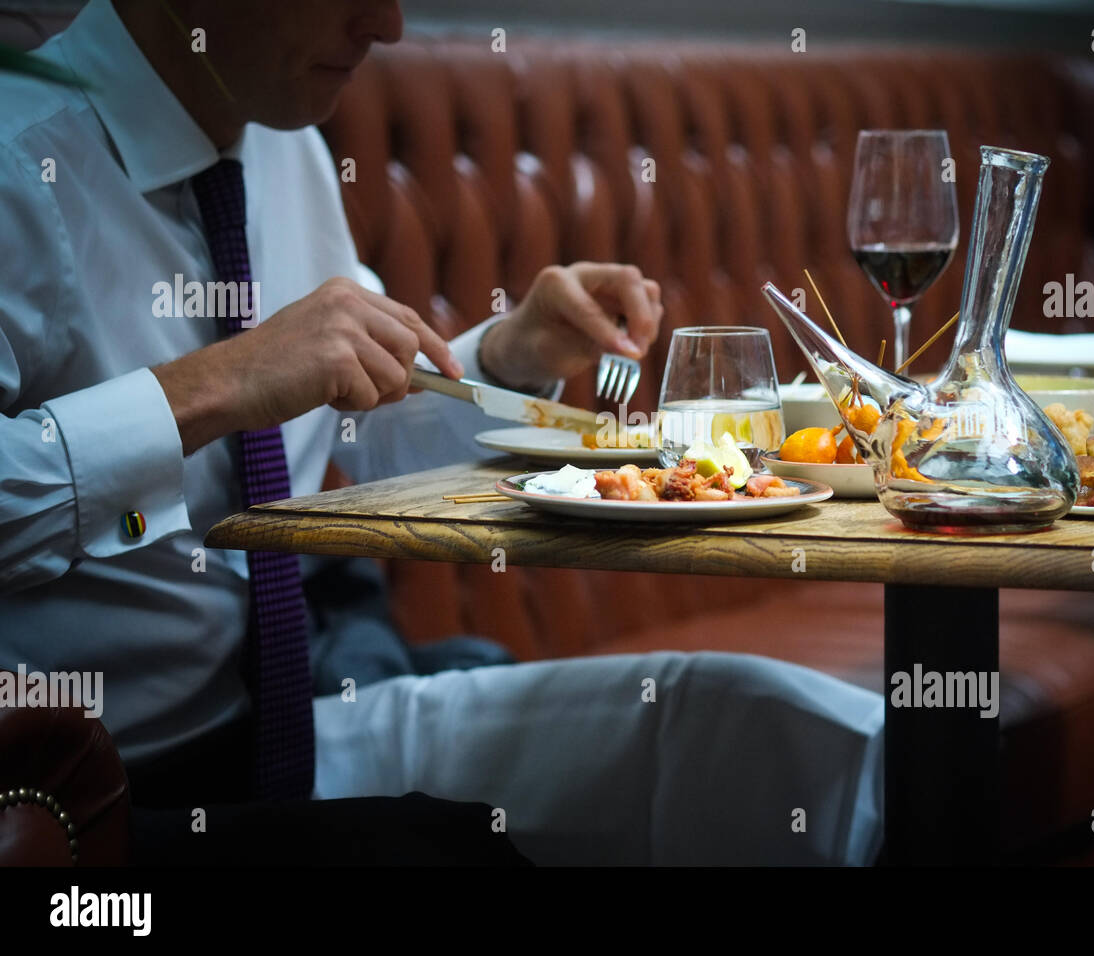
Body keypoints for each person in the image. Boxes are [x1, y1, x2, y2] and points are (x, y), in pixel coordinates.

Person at [0, 0, 885, 865]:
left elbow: (360, 443)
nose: (386, 25)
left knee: (774, 729)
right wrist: (212, 386)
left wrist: (508, 354)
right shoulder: (18, 161)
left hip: (292, 728)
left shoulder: (286, 148)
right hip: (99, 801)